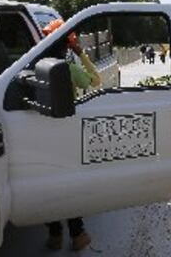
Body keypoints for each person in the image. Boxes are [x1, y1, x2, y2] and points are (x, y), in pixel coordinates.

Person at [41, 19, 101, 251]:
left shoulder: (34, 64)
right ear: (69, 45)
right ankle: (77, 234)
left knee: (48, 185)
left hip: (40, 133)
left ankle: (54, 234)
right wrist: (82, 54)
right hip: (66, 132)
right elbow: (95, 81)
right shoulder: (67, 68)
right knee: (68, 186)